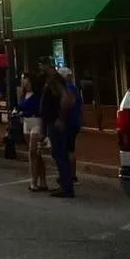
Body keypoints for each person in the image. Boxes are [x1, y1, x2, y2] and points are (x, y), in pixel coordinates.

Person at [43, 70, 76, 198]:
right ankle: (65, 184)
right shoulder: (54, 85)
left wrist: (61, 119)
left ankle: (67, 187)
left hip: (56, 124)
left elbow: (67, 100)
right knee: (59, 155)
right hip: (54, 123)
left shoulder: (55, 84)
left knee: (60, 155)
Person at [17, 72, 47, 192]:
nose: (22, 81)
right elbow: (20, 106)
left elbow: (40, 109)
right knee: (36, 154)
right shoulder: (23, 94)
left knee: (33, 151)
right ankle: (43, 181)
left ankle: (33, 181)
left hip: (36, 121)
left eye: (24, 78)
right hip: (26, 122)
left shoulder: (38, 95)